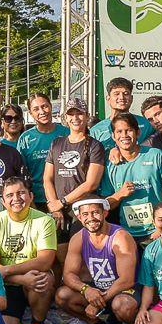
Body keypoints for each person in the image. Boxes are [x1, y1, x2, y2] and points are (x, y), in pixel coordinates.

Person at [0, 175, 58, 324]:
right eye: (10, 195)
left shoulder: (45, 220)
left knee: (44, 278)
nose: (16, 199)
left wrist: (7, 270)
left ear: (30, 196)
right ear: (2, 201)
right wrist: (21, 278)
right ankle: (17, 323)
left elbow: (45, 261)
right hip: (5, 283)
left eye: (21, 193)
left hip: (29, 277)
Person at [56, 197, 139, 324]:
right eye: (85, 214)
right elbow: (68, 275)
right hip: (98, 289)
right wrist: (85, 290)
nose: (91, 218)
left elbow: (127, 280)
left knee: (122, 305)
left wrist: (97, 301)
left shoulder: (120, 237)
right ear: (79, 217)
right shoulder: (78, 238)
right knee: (62, 295)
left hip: (124, 291)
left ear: (105, 213)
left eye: (95, 212)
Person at [103, 113, 162, 245]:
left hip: (159, 232)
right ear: (113, 136)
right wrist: (120, 194)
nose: (124, 135)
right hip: (126, 235)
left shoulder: (156, 155)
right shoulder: (109, 165)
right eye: (119, 131)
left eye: (129, 130)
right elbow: (105, 205)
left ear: (138, 132)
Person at [43, 97, 106, 241]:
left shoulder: (95, 146)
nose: (75, 118)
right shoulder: (57, 143)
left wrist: (62, 202)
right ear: (66, 117)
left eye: (79, 113)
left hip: (82, 209)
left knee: (78, 254)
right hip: (58, 209)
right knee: (58, 254)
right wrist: (55, 206)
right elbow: (47, 178)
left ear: (87, 116)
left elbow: (91, 184)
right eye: (71, 114)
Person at [17, 91, 68, 207]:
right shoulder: (25, 138)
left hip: (65, 198)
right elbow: (21, 174)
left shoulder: (66, 133)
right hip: (37, 200)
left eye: (44, 106)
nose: (42, 112)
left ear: (51, 106)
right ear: (30, 113)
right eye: (36, 109)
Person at [90, 77, 154, 147]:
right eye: (116, 94)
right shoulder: (96, 131)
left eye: (126, 93)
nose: (121, 97)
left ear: (131, 98)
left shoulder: (147, 124)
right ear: (108, 99)